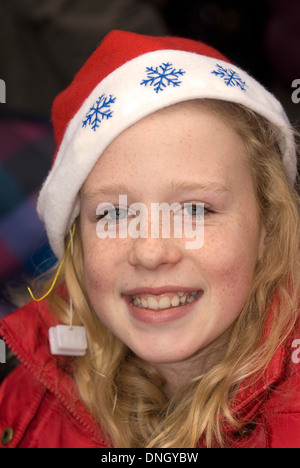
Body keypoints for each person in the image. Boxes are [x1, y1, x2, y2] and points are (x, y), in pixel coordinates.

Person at [0, 30, 299, 449]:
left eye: (195, 210)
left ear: (268, 225)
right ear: (77, 240)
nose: (152, 251)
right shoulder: (25, 404)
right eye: (115, 213)